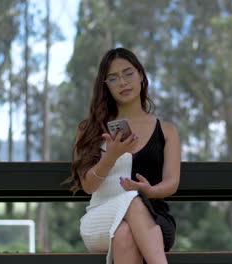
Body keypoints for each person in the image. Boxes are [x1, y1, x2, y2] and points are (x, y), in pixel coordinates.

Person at [67, 47, 180, 264]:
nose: (123, 82)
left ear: (140, 75)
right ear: (106, 86)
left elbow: (172, 183)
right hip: (101, 218)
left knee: (125, 232)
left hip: (154, 221)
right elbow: (89, 186)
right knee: (132, 202)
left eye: (128, 73)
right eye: (113, 78)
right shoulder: (89, 130)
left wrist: (151, 190)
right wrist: (110, 157)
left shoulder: (167, 131)